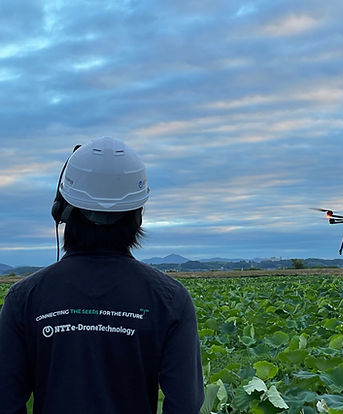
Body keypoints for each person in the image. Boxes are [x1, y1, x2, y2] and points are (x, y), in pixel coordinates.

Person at [0, 137, 204, 413]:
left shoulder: (24, 298)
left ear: (62, 210)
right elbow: (185, 405)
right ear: (138, 215)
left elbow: (5, 401)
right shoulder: (170, 299)